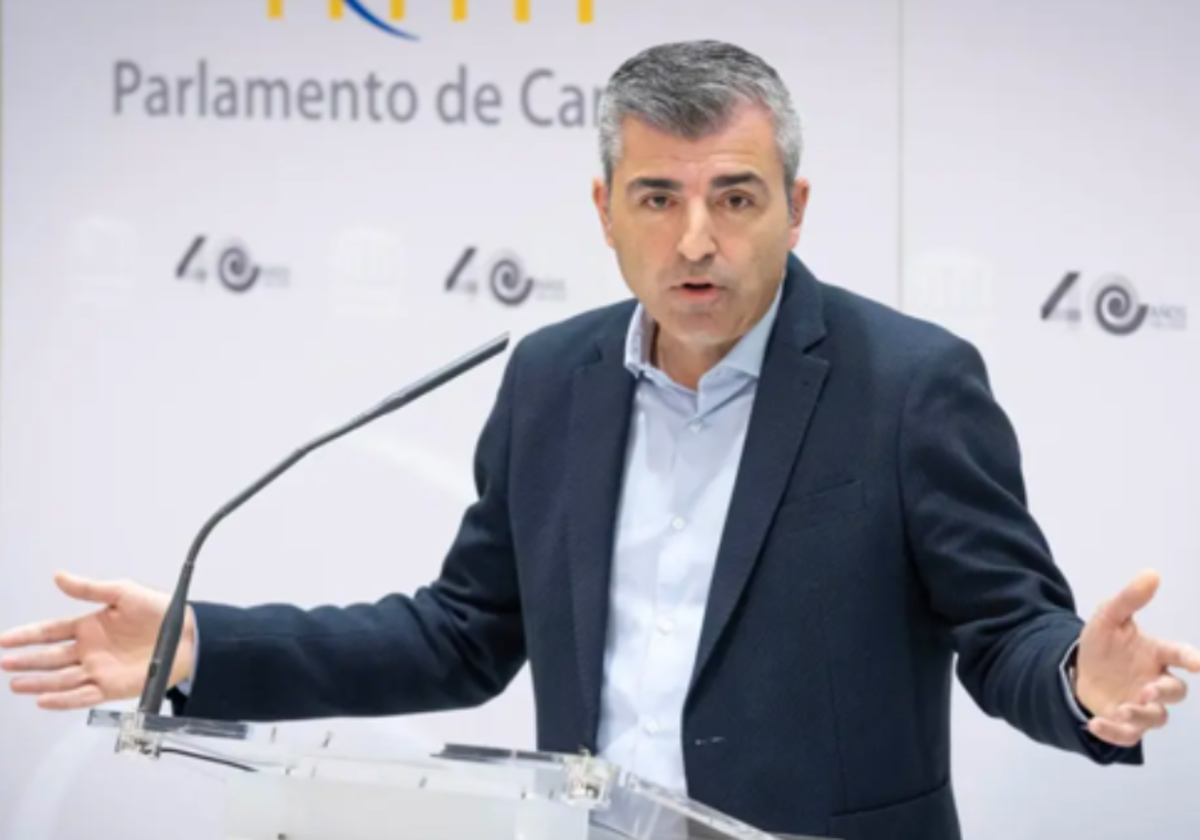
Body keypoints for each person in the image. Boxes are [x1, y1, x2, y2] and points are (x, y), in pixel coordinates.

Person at [1, 40, 1196, 840]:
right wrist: (202, 643)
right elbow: (464, 633)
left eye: (735, 197)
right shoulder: (552, 377)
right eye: (657, 199)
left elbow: (1005, 631)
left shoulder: (910, 385)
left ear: (798, 206)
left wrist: (1078, 686)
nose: (695, 241)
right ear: (603, 211)